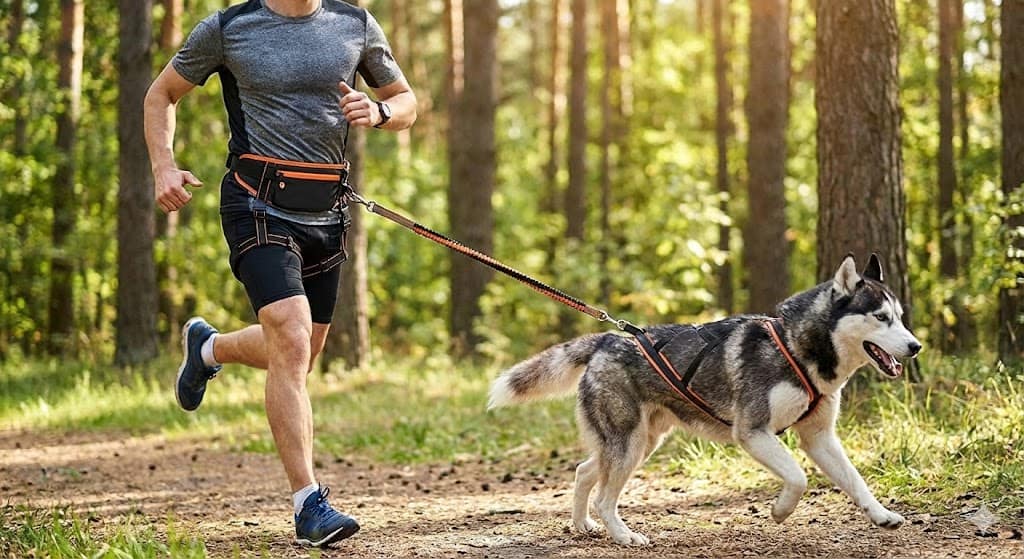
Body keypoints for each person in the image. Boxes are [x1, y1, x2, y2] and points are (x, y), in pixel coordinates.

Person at [143, 0, 416, 548]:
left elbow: (406, 100)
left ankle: (209, 349)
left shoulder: (354, 23)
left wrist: (381, 114)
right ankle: (308, 504)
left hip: (328, 212)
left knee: (301, 354)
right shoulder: (228, 28)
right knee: (290, 336)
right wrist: (164, 166)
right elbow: (161, 94)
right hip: (256, 204)